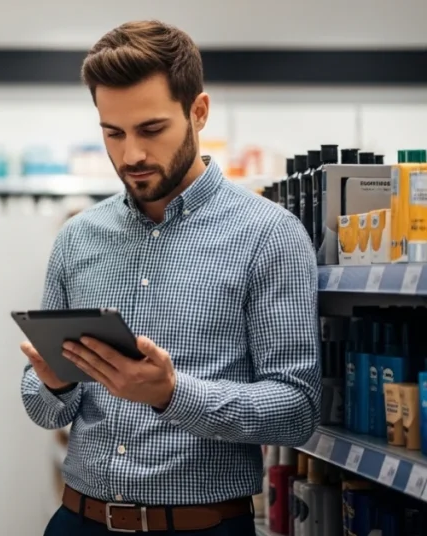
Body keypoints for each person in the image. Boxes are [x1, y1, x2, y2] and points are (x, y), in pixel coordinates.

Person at [20, 20, 320, 536]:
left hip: (201, 526)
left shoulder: (269, 235)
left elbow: (296, 408)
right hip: (77, 520)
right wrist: (53, 382)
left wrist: (172, 393)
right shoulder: (78, 237)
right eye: (113, 133)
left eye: (151, 129)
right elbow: (43, 408)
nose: (130, 154)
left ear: (197, 112)